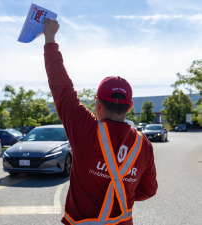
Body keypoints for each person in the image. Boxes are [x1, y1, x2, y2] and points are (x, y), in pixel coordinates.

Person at [43, 18, 158, 225]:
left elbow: (61, 87)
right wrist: (123, 189)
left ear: (97, 104)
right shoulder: (144, 146)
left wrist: (50, 37)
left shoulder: (85, 129)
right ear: (129, 107)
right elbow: (148, 191)